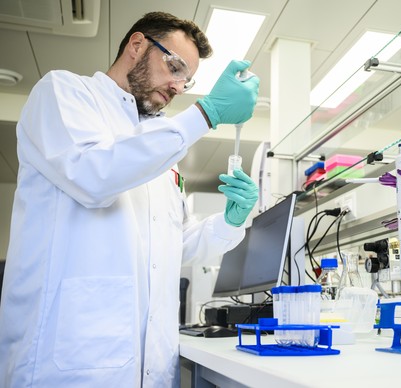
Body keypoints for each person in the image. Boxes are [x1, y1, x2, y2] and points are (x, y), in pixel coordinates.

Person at [0, 11, 260, 388]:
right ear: (137, 45)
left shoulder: (158, 140)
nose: (177, 86)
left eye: (186, 81)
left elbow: (174, 244)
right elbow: (94, 175)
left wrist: (229, 223)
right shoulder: (64, 93)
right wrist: (206, 113)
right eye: (174, 67)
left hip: (149, 366)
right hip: (68, 363)